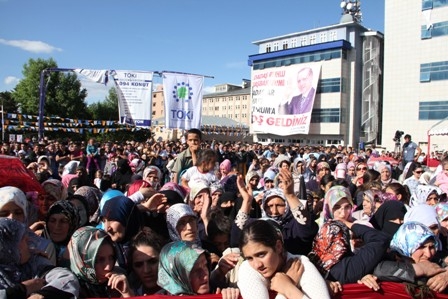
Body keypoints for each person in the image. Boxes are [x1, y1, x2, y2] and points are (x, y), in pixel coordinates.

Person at [237, 219, 330, 298]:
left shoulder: (300, 265)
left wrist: (288, 288)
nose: (257, 265)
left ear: (278, 246)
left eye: (261, 254)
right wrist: (286, 290)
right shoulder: (248, 269)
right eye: (249, 258)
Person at [157, 240, 240, 298]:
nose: (205, 275)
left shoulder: (218, 292)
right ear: (176, 275)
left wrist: (229, 295)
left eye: (205, 265)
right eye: (194, 270)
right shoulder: (158, 297)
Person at [68, 226, 134, 298]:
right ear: (81, 259)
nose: (108, 267)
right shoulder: (69, 288)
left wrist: (126, 293)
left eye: (111, 258)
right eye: (98, 260)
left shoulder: (117, 281)